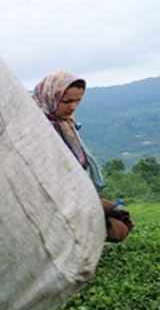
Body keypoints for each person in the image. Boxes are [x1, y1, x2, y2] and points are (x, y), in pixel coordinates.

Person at [32, 70, 131, 242]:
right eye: (67, 101)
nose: (73, 107)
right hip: (41, 199)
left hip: (68, 193)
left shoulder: (65, 125)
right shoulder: (34, 125)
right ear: (50, 97)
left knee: (118, 224)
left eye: (78, 100)